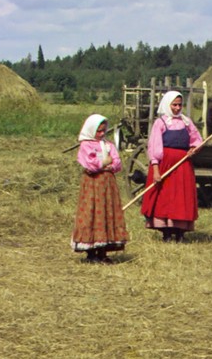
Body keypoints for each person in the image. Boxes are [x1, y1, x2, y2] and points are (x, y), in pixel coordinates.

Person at [140, 90, 201, 242]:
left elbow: (197, 139)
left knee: (181, 197)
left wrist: (194, 149)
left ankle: (180, 232)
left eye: (180, 105)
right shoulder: (160, 123)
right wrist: (155, 170)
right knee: (165, 197)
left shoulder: (186, 122)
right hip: (165, 164)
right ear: (168, 105)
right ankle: (166, 232)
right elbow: (154, 147)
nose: (177, 108)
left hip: (183, 165)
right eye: (174, 105)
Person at [72, 113, 128, 262]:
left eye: (104, 130)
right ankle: (91, 251)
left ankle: (103, 252)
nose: (102, 133)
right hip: (93, 183)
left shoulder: (108, 145)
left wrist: (109, 164)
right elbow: (89, 165)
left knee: (107, 212)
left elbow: (117, 162)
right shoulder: (86, 145)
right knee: (92, 212)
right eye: (99, 131)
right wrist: (103, 163)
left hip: (107, 184)